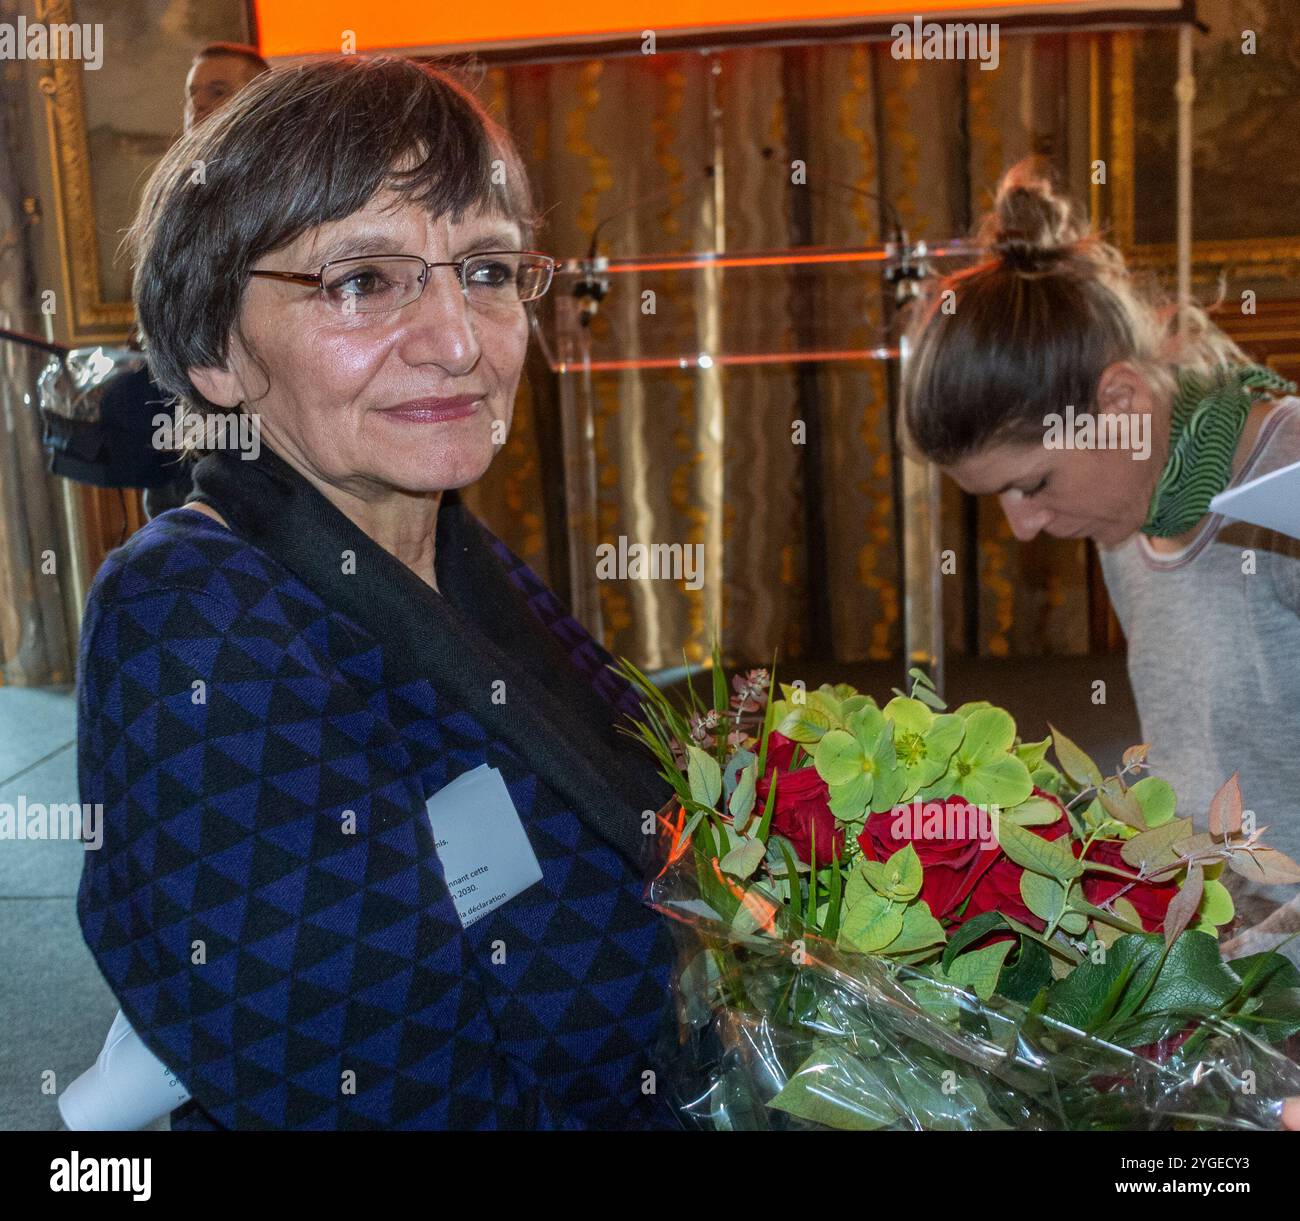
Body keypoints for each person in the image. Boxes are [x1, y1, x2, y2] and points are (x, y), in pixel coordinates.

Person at [75, 54, 678, 1131]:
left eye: (486, 270)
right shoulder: (193, 621)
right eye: (360, 281)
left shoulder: (450, 550)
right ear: (218, 351)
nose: (459, 343)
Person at [900, 158, 1300, 962]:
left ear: (1118, 402)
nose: (1022, 527)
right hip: (1227, 979)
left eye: (1033, 483)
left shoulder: (1285, 487)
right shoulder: (1132, 513)